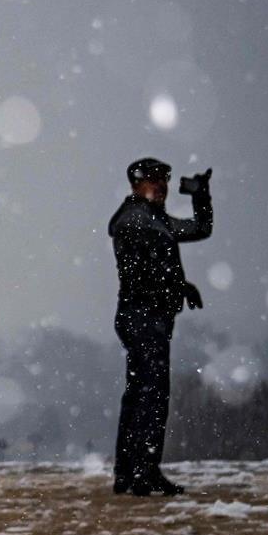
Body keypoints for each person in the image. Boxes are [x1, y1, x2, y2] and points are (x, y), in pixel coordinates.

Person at [108, 157, 213, 497]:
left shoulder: (153, 218)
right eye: (154, 181)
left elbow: (199, 229)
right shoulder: (138, 220)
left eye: (164, 181)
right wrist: (179, 286)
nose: (162, 187)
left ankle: (130, 472)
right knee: (151, 397)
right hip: (143, 317)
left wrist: (201, 196)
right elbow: (147, 271)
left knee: (140, 395)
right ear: (136, 184)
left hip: (146, 316)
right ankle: (142, 472)